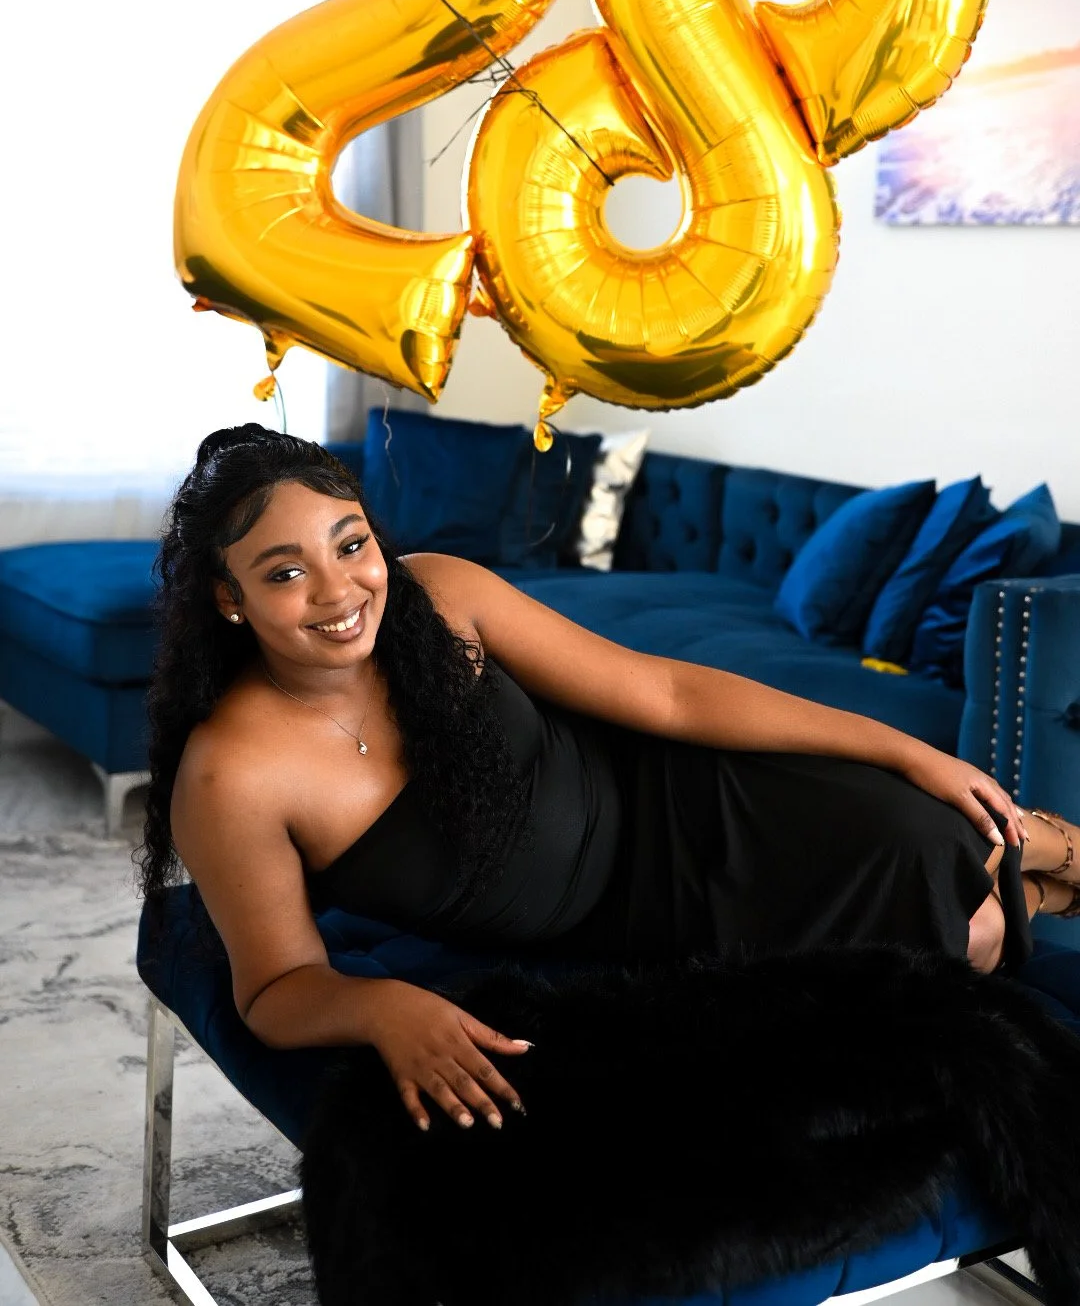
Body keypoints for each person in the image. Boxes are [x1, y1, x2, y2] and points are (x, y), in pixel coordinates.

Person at [138, 423, 1080, 1140]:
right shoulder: (231, 776)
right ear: (229, 598)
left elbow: (666, 693)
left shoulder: (441, 594)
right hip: (627, 922)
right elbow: (276, 987)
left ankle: (1051, 847)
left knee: (934, 822)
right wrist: (381, 1004)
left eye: (350, 545)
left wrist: (901, 747)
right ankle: (1039, 881)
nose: (340, 591)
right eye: (285, 573)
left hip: (688, 794)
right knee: (960, 938)